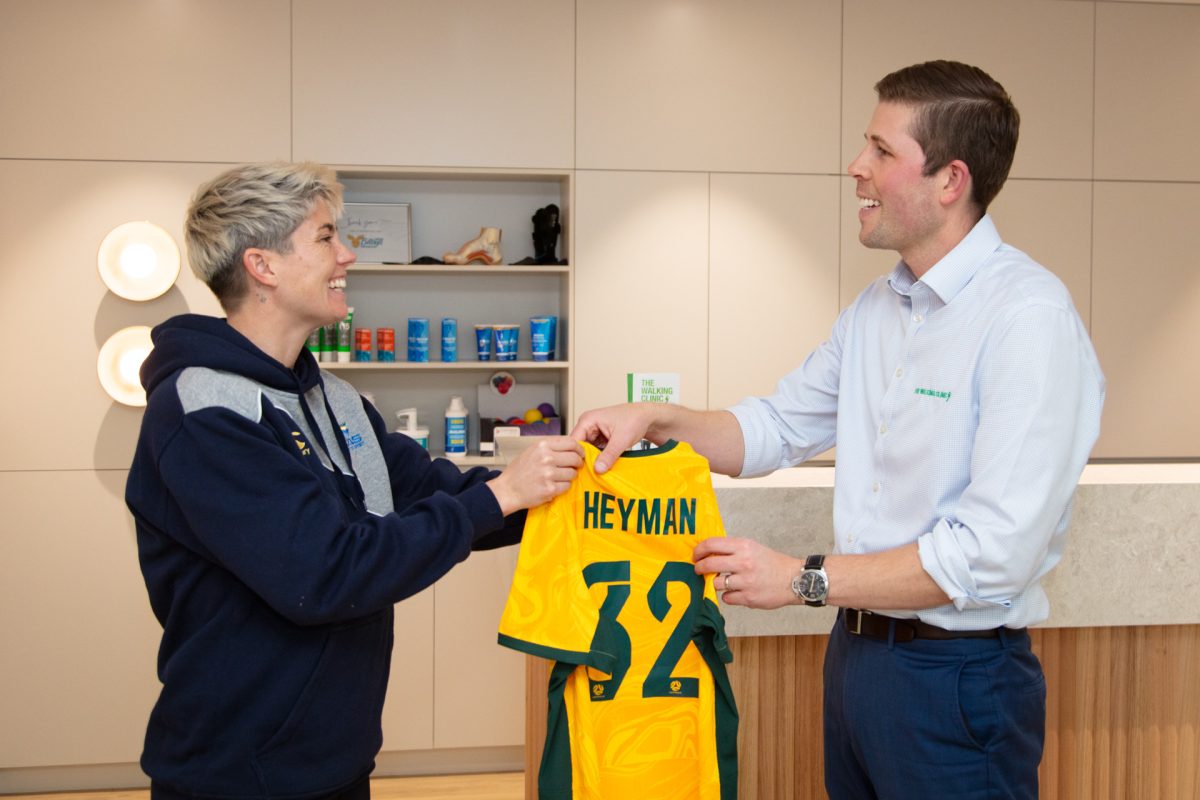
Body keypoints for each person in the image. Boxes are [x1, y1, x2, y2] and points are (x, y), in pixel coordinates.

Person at [570, 60, 1105, 798]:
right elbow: (774, 427)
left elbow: (989, 556)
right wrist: (659, 419)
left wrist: (801, 578)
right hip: (856, 661)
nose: (857, 168)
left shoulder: (1027, 319)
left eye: (882, 152)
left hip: (958, 677)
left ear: (950, 181)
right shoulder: (875, 310)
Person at [125, 161, 583, 800]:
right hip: (239, 772)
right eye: (325, 237)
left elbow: (429, 490)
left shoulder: (334, 398)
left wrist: (571, 488)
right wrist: (503, 494)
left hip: (336, 757)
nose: (347, 253)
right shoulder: (205, 412)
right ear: (263, 265)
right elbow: (324, 574)